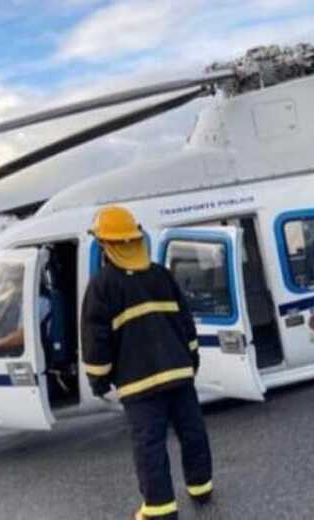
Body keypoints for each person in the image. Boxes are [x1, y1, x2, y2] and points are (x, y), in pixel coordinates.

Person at [81, 205, 213, 520]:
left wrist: (99, 381)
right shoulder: (161, 275)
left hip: (139, 385)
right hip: (179, 374)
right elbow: (186, 324)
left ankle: (159, 509)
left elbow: (95, 342)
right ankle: (201, 488)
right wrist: (191, 361)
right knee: (192, 432)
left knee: (149, 445)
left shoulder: (102, 286)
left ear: (107, 245)